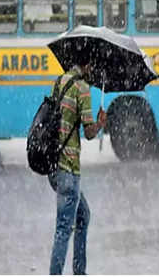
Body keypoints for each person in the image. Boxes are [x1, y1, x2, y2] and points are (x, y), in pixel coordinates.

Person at [48, 49, 107, 275]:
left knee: (83, 216)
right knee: (64, 228)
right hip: (68, 167)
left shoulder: (59, 82)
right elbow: (90, 132)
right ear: (88, 65)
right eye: (92, 66)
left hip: (53, 166)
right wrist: (100, 122)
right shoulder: (82, 88)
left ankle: (79, 271)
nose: (93, 70)